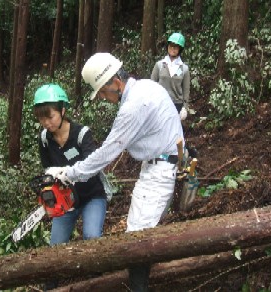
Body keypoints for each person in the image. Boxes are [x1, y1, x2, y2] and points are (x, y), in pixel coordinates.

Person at [49, 53, 184, 292]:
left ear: (116, 82)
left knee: (136, 241)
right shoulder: (146, 87)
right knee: (142, 235)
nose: (102, 97)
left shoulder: (133, 106)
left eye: (102, 91)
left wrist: (71, 173)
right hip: (161, 165)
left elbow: (107, 153)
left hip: (158, 171)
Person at [33, 83, 107, 246]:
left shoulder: (81, 134)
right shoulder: (45, 139)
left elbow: (92, 165)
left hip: (91, 196)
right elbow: (47, 166)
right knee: (56, 246)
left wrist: (68, 172)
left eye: (50, 116)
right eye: (41, 118)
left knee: (92, 237)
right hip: (65, 199)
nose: (46, 122)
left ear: (62, 111)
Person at [151, 32, 190, 123]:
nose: (173, 49)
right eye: (171, 46)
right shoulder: (159, 65)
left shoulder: (184, 69)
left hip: (177, 105)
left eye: (176, 47)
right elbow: (152, 84)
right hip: (160, 103)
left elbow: (186, 90)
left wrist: (185, 107)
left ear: (180, 49)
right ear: (167, 47)